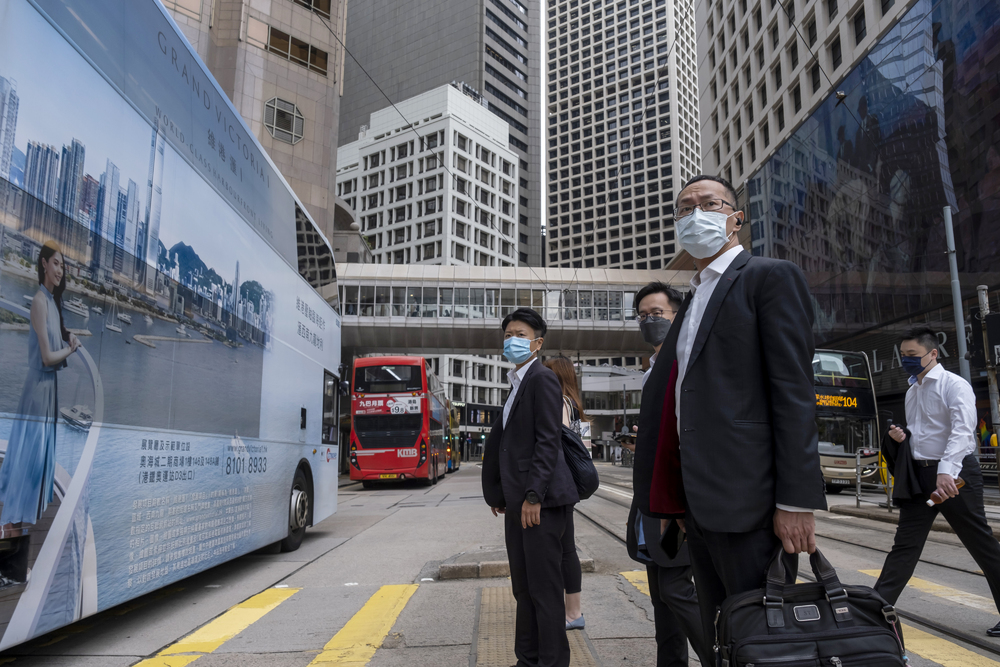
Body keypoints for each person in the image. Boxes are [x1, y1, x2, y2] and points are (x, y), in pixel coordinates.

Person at [633, 175, 827, 645]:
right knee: (723, 637)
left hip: (752, 506)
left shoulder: (768, 277)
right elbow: (682, 406)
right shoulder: (693, 297)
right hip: (699, 508)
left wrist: (796, 501)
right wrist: (674, 499)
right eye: (683, 209)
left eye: (708, 204)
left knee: (764, 639)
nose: (694, 215)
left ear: (736, 218)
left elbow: (794, 393)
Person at [876, 326, 1000, 636]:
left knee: (981, 545)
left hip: (954, 475)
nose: (907, 361)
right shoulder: (911, 390)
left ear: (933, 353)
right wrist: (901, 438)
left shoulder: (953, 385)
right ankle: (873, 612)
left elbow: (961, 431)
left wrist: (947, 470)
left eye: (913, 355)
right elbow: (923, 435)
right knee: (904, 546)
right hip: (921, 476)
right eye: (903, 356)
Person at [482, 308, 579, 667]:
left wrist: (534, 495)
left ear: (537, 343)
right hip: (517, 501)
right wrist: (501, 493)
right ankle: (528, 660)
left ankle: (552, 662)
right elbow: (508, 445)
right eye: (507, 334)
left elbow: (547, 441)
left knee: (544, 590)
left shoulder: (542, 379)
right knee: (523, 589)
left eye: (519, 334)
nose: (511, 340)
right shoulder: (517, 384)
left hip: (541, 503)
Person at [625, 281, 713, 667]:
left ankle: (721, 656)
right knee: (661, 596)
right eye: (643, 315)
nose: (650, 321)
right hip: (652, 500)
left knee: (677, 588)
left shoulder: (682, 362)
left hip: (675, 502)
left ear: (678, 316)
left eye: (657, 314)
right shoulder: (653, 369)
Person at [0, 241, 81, 536]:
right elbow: (47, 357)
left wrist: (69, 334)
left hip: (47, 393)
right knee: (25, 468)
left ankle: (13, 540)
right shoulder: (38, 300)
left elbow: (57, 332)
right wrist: (72, 350)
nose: (60, 270)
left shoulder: (51, 302)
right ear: (44, 263)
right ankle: (9, 540)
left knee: (32, 467)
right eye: (56, 263)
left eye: (63, 266)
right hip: (37, 393)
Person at [543, 355, 587, 630]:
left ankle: (571, 613)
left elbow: (553, 443)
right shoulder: (571, 403)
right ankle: (573, 612)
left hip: (559, 484)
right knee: (566, 548)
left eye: (547, 374)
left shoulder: (558, 402)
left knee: (564, 549)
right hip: (566, 483)